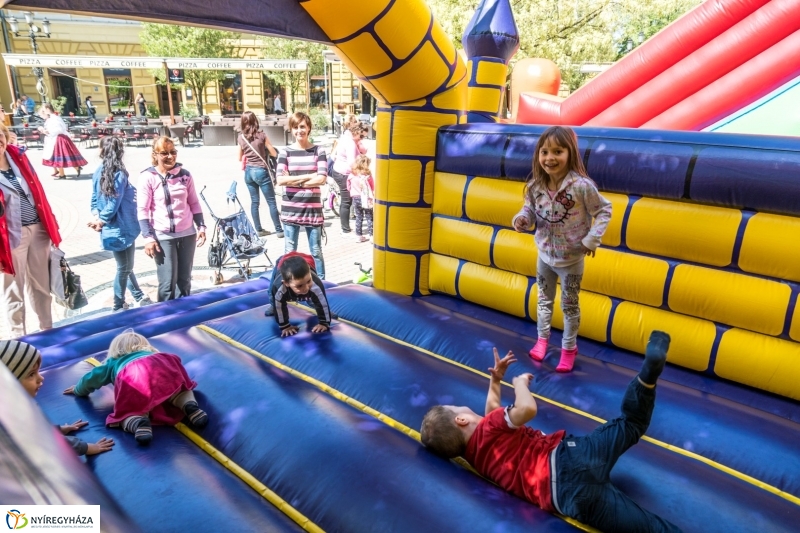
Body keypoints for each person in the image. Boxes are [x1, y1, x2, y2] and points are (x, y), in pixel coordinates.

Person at [420, 331, 680, 533]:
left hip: (571, 498)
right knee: (631, 423)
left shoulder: (476, 457)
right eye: (454, 406)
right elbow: (526, 409)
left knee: (650, 528)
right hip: (572, 457)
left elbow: (491, 413)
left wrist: (495, 380)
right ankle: (646, 378)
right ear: (462, 419)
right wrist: (518, 383)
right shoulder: (492, 425)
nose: (459, 405)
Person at [513, 126, 612, 373]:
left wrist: (592, 239)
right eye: (545, 152)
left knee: (569, 306)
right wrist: (522, 218)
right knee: (544, 300)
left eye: (558, 151)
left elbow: (604, 210)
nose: (550, 158)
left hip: (571, 259)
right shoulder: (536, 186)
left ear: (570, 153)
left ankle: (569, 348)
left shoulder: (581, 186)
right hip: (545, 255)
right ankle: (542, 340)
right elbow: (530, 210)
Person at [63, 329, 208, 445]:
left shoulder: (114, 361)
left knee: (130, 410)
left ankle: (138, 423)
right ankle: (190, 406)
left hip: (132, 377)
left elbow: (91, 379)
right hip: (165, 363)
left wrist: (78, 389)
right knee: (179, 390)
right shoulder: (152, 353)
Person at [1, 340, 115, 456]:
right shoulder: (15, 416)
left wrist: (58, 429)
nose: (41, 378)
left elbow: (41, 429)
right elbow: (49, 440)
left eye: (37, 372)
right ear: (9, 382)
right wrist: (88, 448)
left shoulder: (11, 404)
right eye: (31, 374)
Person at [0, 125, 61, 337]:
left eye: (0, 134)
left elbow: (38, 192)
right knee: (14, 290)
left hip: (38, 229)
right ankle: (20, 338)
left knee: (41, 285)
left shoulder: (17, 157)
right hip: (10, 237)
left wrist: (50, 225)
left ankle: (47, 330)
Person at [138, 136, 206, 302]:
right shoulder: (148, 177)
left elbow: (194, 203)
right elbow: (142, 210)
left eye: (173, 152)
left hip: (187, 234)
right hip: (163, 237)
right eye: (164, 153)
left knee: (184, 281)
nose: (170, 156)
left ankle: (185, 319)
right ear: (155, 155)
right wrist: (148, 237)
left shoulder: (184, 175)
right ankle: (165, 321)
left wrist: (201, 227)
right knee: (167, 283)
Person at [88, 137, 152, 311]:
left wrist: (97, 217)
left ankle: (138, 295)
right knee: (124, 267)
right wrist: (101, 219)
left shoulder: (97, 171)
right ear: (120, 152)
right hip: (122, 227)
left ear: (101, 151)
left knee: (125, 265)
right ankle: (118, 304)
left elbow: (94, 199)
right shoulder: (120, 173)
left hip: (110, 228)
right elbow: (113, 203)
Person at [276, 112, 327, 279]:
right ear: (291, 129)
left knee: (316, 252)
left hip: (312, 210)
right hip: (291, 209)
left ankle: (322, 284)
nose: (300, 131)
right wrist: (308, 177)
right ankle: (288, 285)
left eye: (303, 127)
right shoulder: (285, 153)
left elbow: (322, 178)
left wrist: (293, 180)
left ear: (309, 128)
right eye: (296, 127)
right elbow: (280, 180)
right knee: (289, 252)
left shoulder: (318, 150)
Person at [237, 111, 282, 238]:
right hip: (261, 171)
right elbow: (274, 153)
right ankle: (279, 230)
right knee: (271, 202)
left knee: (254, 202)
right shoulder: (262, 135)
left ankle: (259, 230)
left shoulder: (241, 137)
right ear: (255, 120)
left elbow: (240, 158)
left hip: (248, 172)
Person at [264, 252, 331, 337]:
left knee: (314, 297)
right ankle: (272, 305)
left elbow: (322, 302)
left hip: (305, 261)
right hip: (282, 262)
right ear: (286, 283)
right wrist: (285, 326)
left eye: (308, 281)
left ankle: (312, 302)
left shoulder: (314, 282)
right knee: (272, 295)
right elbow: (279, 307)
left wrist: (324, 322)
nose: (306, 287)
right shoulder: (278, 287)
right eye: (299, 286)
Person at [331, 121, 368, 236]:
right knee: (346, 201)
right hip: (344, 173)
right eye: (361, 136)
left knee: (346, 200)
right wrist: (362, 173)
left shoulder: (346, 136)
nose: (361, 139)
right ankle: (345, 229)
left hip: (338, 170)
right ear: (356, 132)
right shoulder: (351, 143)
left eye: (364, 137)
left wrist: (359, 142)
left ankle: (345, 227)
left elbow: (364, 150)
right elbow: (352, 163)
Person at [38, 103, 87, 179]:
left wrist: (47, 131)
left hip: (58, 138)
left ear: (48, 109)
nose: (44, 112)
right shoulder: (53, 118)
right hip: (56, 138)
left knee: (59, 156)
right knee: (58, 157)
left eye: (44, 110)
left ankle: (65, 173)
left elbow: (59, 129)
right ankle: (65, 172)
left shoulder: (54, 118)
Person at [346, 154, 374, 243]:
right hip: (366, 198)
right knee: (369, 217)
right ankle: (372, 235)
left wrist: (352, 191)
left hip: (356, 197)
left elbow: (348, 186)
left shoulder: (352, 174)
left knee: (359, 216)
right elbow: (372, 186)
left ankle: (359, 235)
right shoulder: (367, 175)